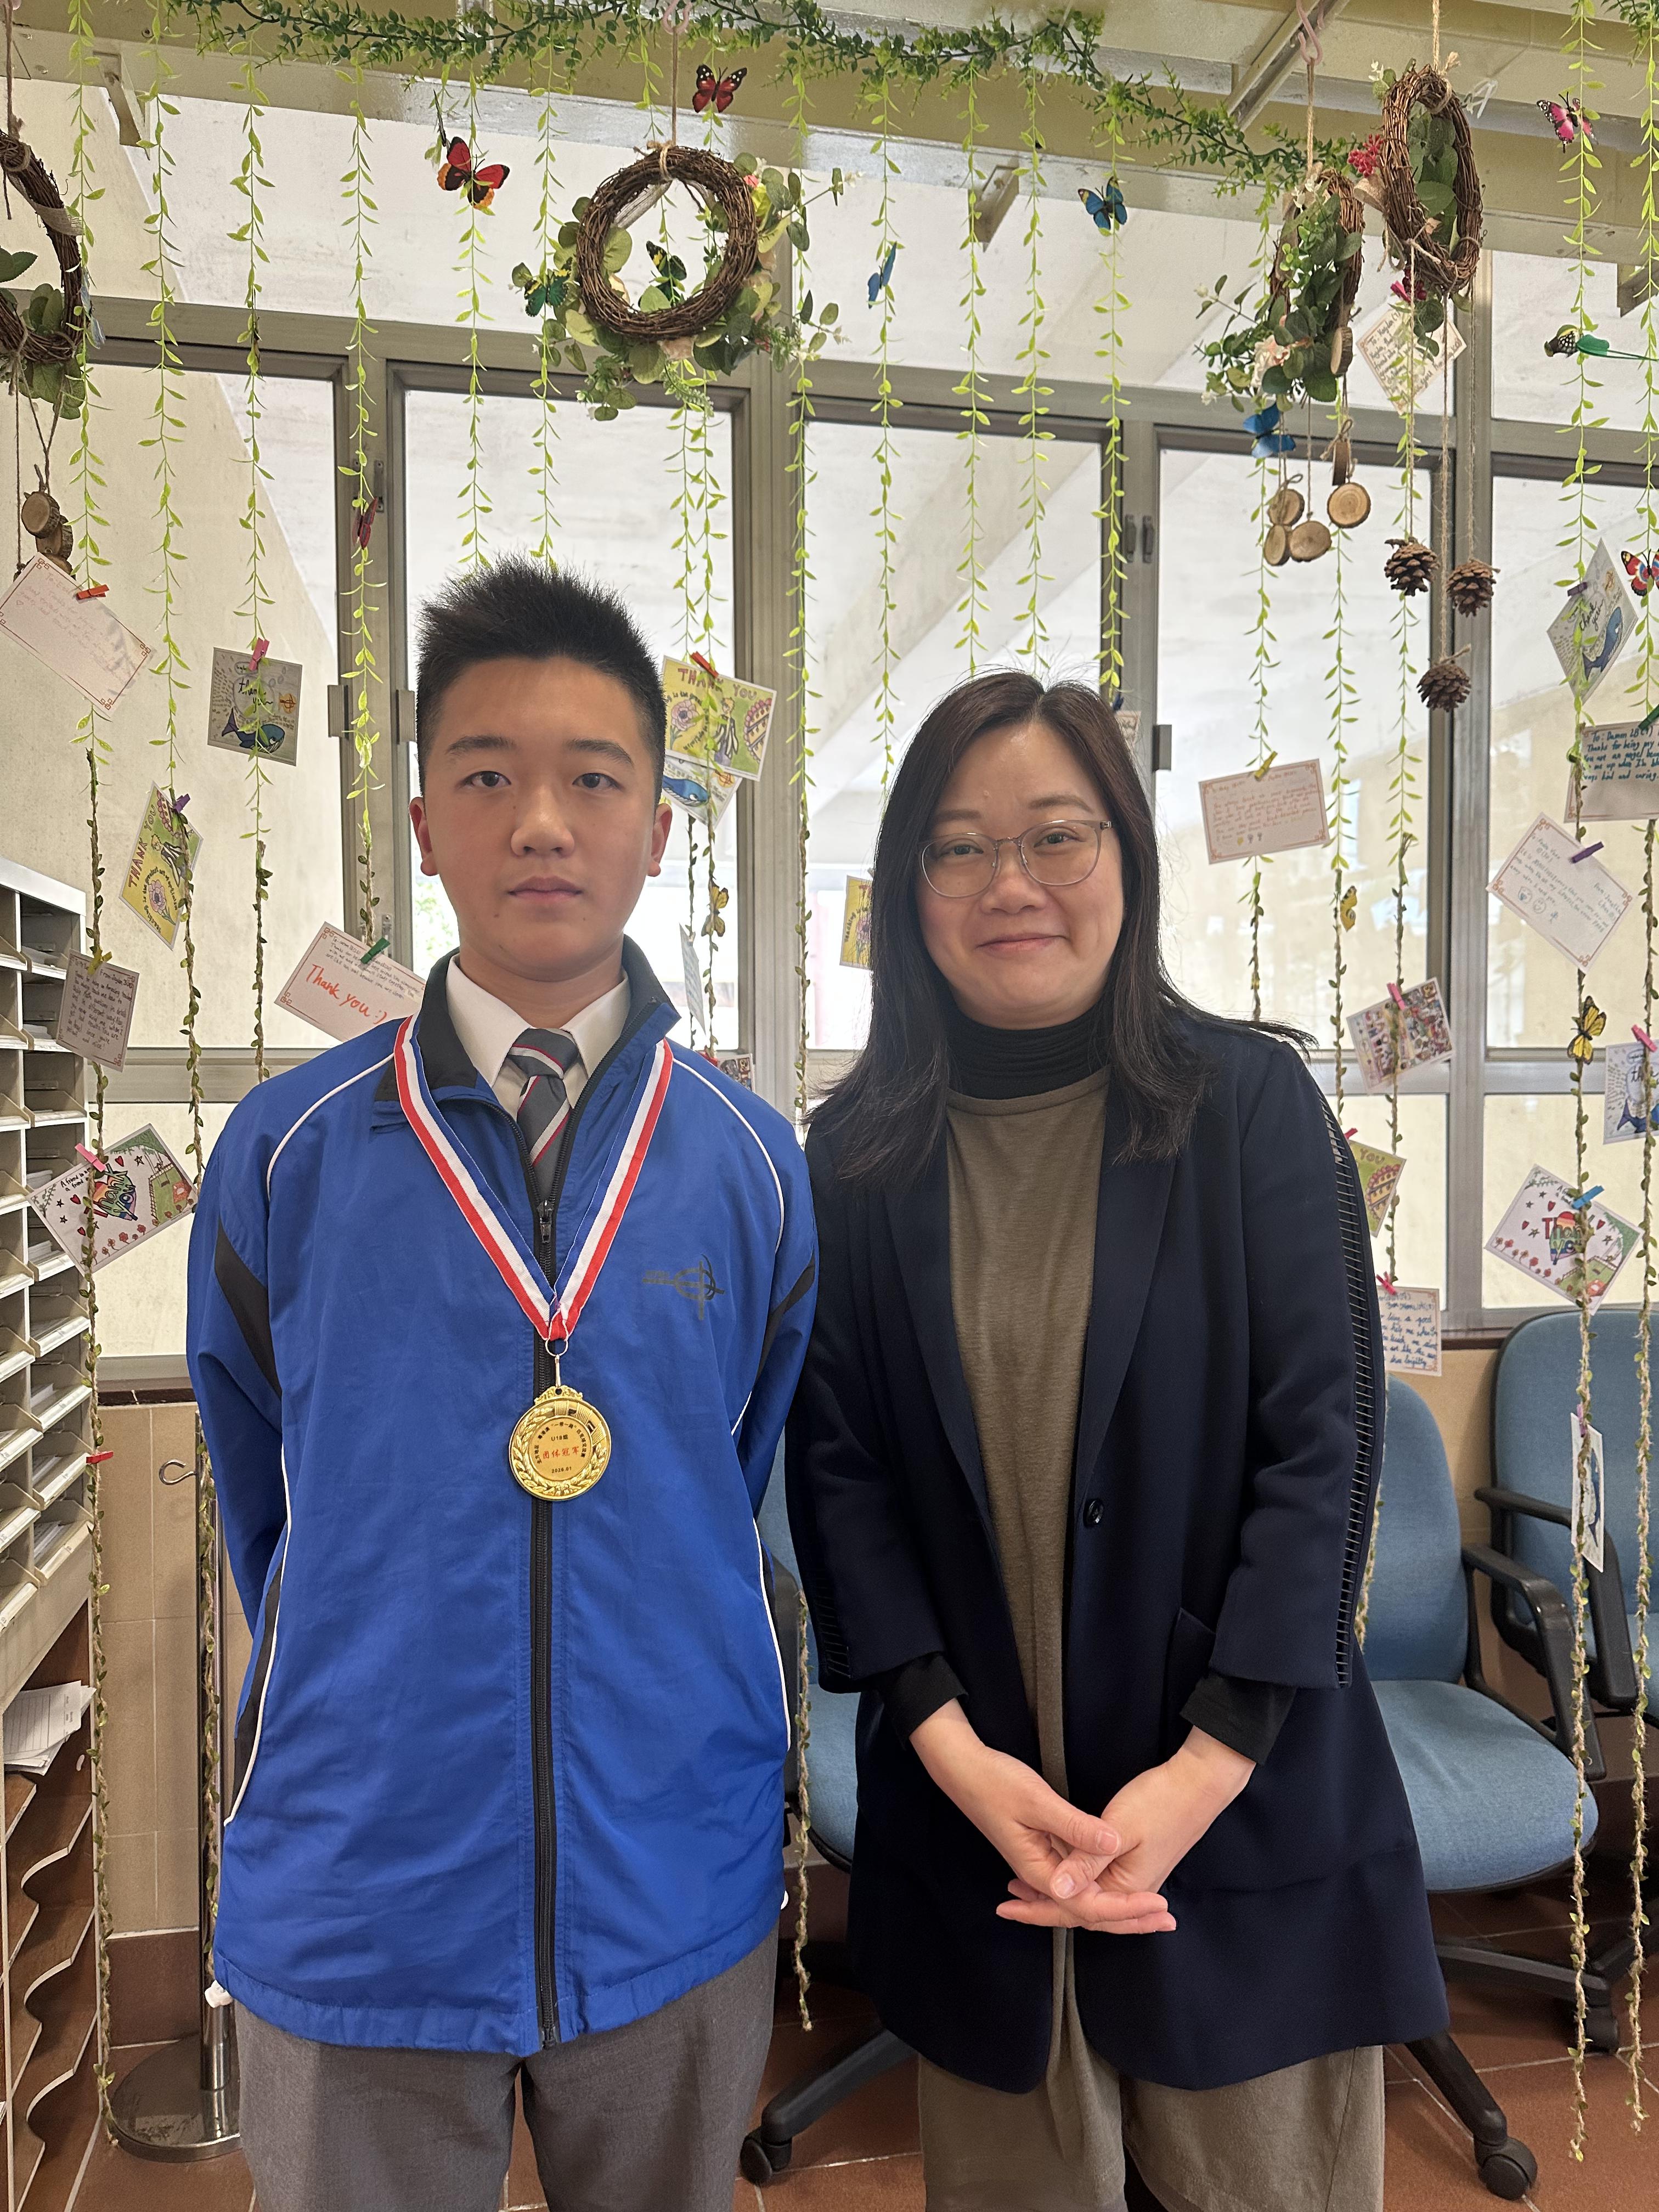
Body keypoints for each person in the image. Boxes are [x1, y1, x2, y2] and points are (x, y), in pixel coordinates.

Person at [188, 558, 816, 2212]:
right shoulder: (289, 1152)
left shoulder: (754, 1164)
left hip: (669, 1868)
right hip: (365, 1884)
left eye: (593, 780)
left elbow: (738, 1473)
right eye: (486, 777)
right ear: (421, 823)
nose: (541, 823)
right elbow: (267, 1497)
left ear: (660, 828)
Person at [786, 671, 1446, 2212]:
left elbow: (1327, 1449)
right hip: (980, 1817)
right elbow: (840, 1475)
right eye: (958, 847)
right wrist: (951, 1752)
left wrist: (1203, 1772)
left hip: (1237, 1795)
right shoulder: (857, 1155)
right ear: (907, 890)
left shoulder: (1250, 1104)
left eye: (1055, 836)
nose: (1009, 883)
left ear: (1128, 862)